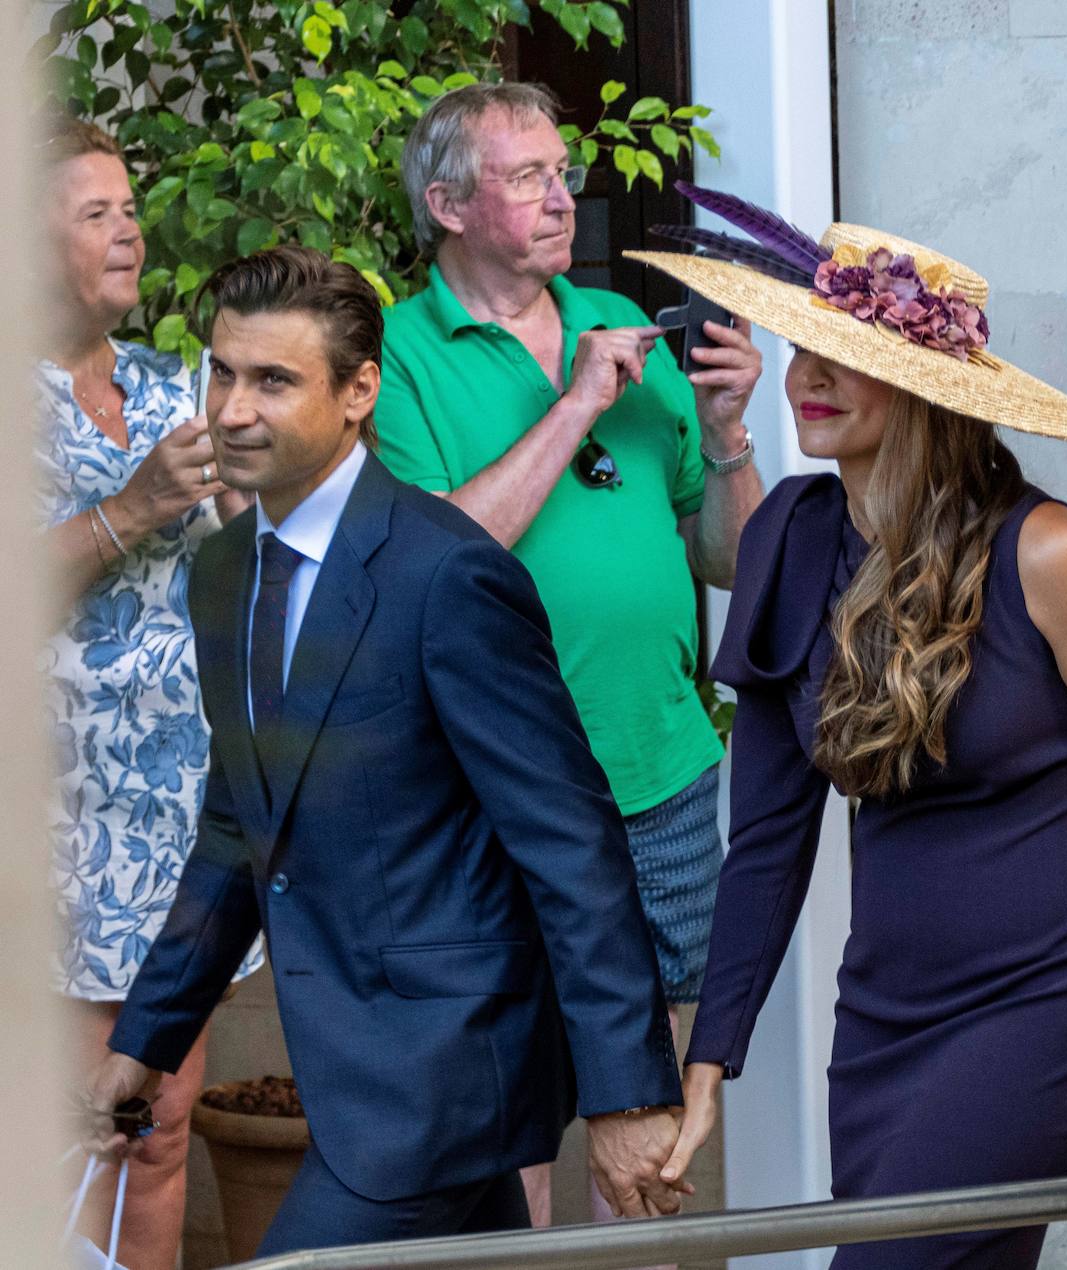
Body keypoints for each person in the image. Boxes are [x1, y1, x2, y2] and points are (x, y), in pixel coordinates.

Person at [629, 200, 1067, 1267]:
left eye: (849, 353)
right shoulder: (787, 544)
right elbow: (765, 839)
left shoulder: (1050, 555)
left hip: (1045, 995)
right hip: (885, 1018)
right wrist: (707, 1063)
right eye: (806, 343)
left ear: (929, 388)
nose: (809, 372)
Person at [81, 246, 688, 1256]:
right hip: (359, 1069)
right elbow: (238, 826)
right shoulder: (226, 569)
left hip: (442, 1071)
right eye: (223, 371)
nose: (232, 409)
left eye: (274, 379)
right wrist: (148, 1037)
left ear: (361, 391)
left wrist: (627, 1094)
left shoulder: (447, 573)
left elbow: (571, 842)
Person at [375, 81, 763, 1225]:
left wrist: (735, 439)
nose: (565, 193)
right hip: (494, 798)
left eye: (563, 169)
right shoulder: (396, 356)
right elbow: (425, 561)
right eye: (530, 175)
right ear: (447, 204)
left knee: (650, 1135)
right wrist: (579, 403)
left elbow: (734, 560)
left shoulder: (618, 324)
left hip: (663, 774)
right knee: (514, 1136)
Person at [36, 115, 262, 1270]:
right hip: (58, 830)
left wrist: (237, 508)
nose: (128, 231)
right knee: (82, 1131)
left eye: (129, 209)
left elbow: (237, 557)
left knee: (160, 1125)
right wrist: (132, 507)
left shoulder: (166, 381)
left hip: (178, 816)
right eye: (95, 214)